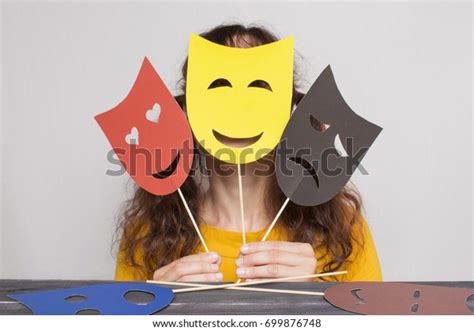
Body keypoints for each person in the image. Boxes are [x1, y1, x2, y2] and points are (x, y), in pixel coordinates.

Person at [114, 24, 382, 283]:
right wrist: (160, 309)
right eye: (219, 85)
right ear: (186, 112)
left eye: (258, 87)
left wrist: (314, 297)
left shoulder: (342, 230)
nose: (238, 108)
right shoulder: (146, 235)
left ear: (289, 110)